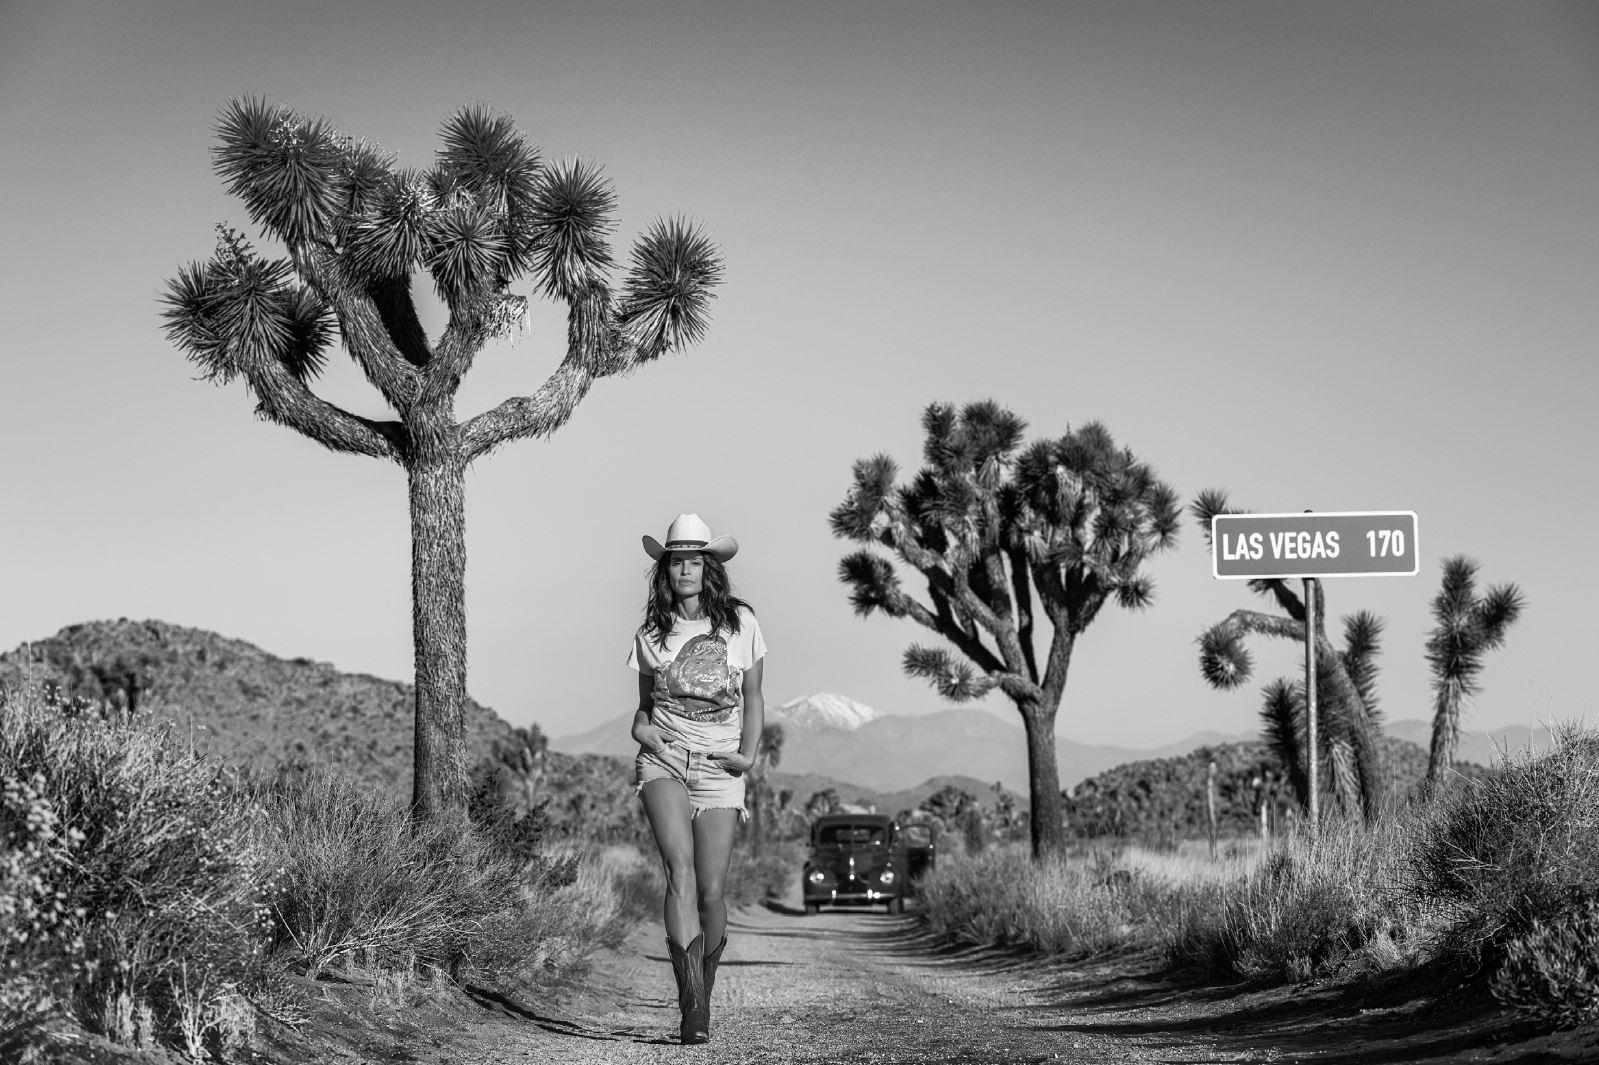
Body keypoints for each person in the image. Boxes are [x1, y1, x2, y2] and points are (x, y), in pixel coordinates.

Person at [627, 513, 766, 1045]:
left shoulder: (741, 624)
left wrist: (748, 756)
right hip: (664, 759)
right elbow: (642, 711)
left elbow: (753, 696)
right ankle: (692, 1009)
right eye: (675, 561)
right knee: (678, 873)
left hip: (719, 767)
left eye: (693, 560)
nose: (683, 569)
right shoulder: (650, 634)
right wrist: (643, 732)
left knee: (711, 891)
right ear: (664, 571)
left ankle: (702, 989)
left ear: (708, 568)